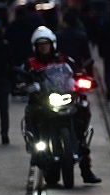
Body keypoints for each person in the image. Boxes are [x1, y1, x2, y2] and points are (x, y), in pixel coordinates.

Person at [25, 26, 101, 183]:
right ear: (35, 47)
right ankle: (35, 147)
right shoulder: (30, 63)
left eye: (46, 44)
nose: (44, 47)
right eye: (40, 45)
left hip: (65, 97)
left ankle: (85, 166)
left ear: (52, 44)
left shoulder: (63, 59)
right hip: (43, 101)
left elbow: (76, 71)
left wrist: (84, 80)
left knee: (83, 108)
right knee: (31, 111)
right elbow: (22, 77)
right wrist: (23, 85)